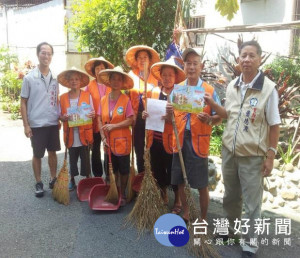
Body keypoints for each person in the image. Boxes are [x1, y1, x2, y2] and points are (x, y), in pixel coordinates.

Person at [204, 40, 280, 258]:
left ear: (259, 59)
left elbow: (274, 124)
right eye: (243, 55)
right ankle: (229, 232)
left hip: (253, 156)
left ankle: (250, 243)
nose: (246, 59)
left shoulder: (268, 89)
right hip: (229, 151)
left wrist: (271, 156)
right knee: (230, 196)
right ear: (238, 60)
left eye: (251, 55)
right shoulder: (232, 85)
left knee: (252, 203)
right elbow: (230, 114)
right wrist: (213, 109)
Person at [166, 48, 222, 222]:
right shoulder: (177, 90)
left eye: (195, 63)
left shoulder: (209, 90)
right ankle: (187, 212)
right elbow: (170, 120)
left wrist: (210, 119)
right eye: (188, 63)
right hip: (180, 139)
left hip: (199, 141)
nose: (191, 67)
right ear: (183, 66)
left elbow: (220, 117)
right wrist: (168, 112)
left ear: (201, 66)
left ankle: (203, 218)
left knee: (201, 184)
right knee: (181, 180)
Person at [142, 57, 186, 213]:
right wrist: (145, 114)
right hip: (155, 140)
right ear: (160, 76)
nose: (167, 78)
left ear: (175, 77)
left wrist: (171, 119)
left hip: (173, 141)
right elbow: (148, 112)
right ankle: (164, 196)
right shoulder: (153, 92)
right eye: (164, 75)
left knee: (173, 172)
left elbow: (182, 118)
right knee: (158, 170)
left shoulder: (179, 95)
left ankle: (178, 201)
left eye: (170, 75)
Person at [20, 42, 61, 197]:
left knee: (53, 152)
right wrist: (26, 125)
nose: (46, 56)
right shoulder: (29, 78)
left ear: (52, 56)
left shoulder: (55, 78)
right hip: (36, 123)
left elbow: (56, 99)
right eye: (43, 53)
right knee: (37, 154)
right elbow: (23, 102)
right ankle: (38, 182)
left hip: (52, 122)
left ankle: (53, 178)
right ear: (38, 55)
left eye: (49, 53)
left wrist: (58, 118)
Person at [97, 67, 134, 206]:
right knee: (111, 169)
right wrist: (102, 136)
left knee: (124, 170)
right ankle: (114, 190)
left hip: (123, 142)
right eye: (114, 78)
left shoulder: (126, 100)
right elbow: (99, 118)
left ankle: (123, 192)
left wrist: (114, 126)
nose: (116, 81)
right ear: (109, 81)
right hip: (108, 142)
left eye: (119, 79)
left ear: (122, 82)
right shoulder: (103, 99)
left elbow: (131, 119)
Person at [125, 45, 160, 173]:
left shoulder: (156, 77)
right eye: (139, 58)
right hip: (136, 117)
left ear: (150, 60)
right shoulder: (131, 75)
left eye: (145, 57)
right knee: (138, 147)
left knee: (151, 146)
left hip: (152, 117)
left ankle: (153, 174)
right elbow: (126, 98)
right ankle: (141, 174)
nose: (142, 60)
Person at [58, 68, 95, 190]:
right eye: (71, 79)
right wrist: (64, 117)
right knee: (72, 159)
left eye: (76, 79)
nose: (74, 81)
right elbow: (60, 116)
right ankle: (72, 180)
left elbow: (92, 113)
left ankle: (87, 179)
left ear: (80, 81)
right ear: (68, 82)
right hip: (70, 134)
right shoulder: (62, 97)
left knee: (85, 159)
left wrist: (92, 114)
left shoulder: (87, 95)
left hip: (84, 133)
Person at [84, 57, 114, 178]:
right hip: (94, 123)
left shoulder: (111, 85)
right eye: (97, 68)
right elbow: (85, 103)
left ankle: (109, 174)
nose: (100, 70)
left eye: (102, 68)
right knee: (95, 150)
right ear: (94, 70)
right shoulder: (89, 86)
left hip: (108, 123)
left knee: (108, 148)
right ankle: (97, 175)